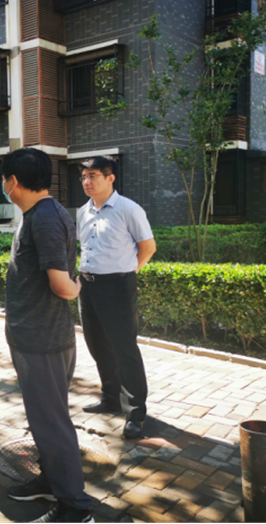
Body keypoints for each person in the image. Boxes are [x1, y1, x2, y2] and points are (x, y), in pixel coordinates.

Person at [1, 148, 94, 524]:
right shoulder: (40, 214)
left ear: (13, 182)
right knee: (44, 419)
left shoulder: (44, 218)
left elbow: (61, 284)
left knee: (52, 423)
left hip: (43, 340)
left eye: (4, 179)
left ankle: (75, 508)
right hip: (35, 336)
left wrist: (76, 287)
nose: (4, 185)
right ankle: (52, 480)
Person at [77, 156, 156, 440]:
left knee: (124, 349)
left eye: (93, 176)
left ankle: (135, 413)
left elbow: (148, 247)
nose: (87, 181)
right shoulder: (83, 212)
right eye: (84, 177)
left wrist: (128, 272)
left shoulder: (128, 209)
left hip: (117, 286)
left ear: (110, 178)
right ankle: (110, 397)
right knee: (97, 345)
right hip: (88, 286)